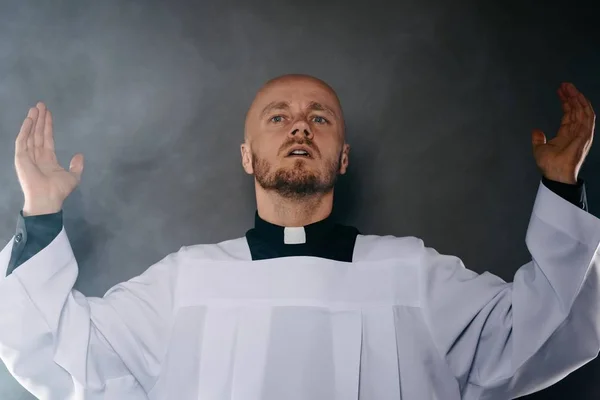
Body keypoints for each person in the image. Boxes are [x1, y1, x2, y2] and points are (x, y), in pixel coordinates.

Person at [0, 74, 598, 400]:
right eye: (278, 117)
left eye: (319, 118)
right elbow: (64, 354)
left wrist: (563, 190)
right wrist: (43, 212)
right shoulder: (187, 280)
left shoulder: (410, 272)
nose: (299, 130)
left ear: (341, 158)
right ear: (246, 155)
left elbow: (540, 332)